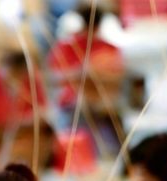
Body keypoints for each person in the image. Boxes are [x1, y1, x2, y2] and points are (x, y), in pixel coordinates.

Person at [46, 2, 125, 157]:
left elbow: (118, 78)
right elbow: (53, 78)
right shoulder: (67, 47)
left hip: (103, 105)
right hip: (74, 106)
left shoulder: (108, 48)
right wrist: (81, 74)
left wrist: (94, 76)